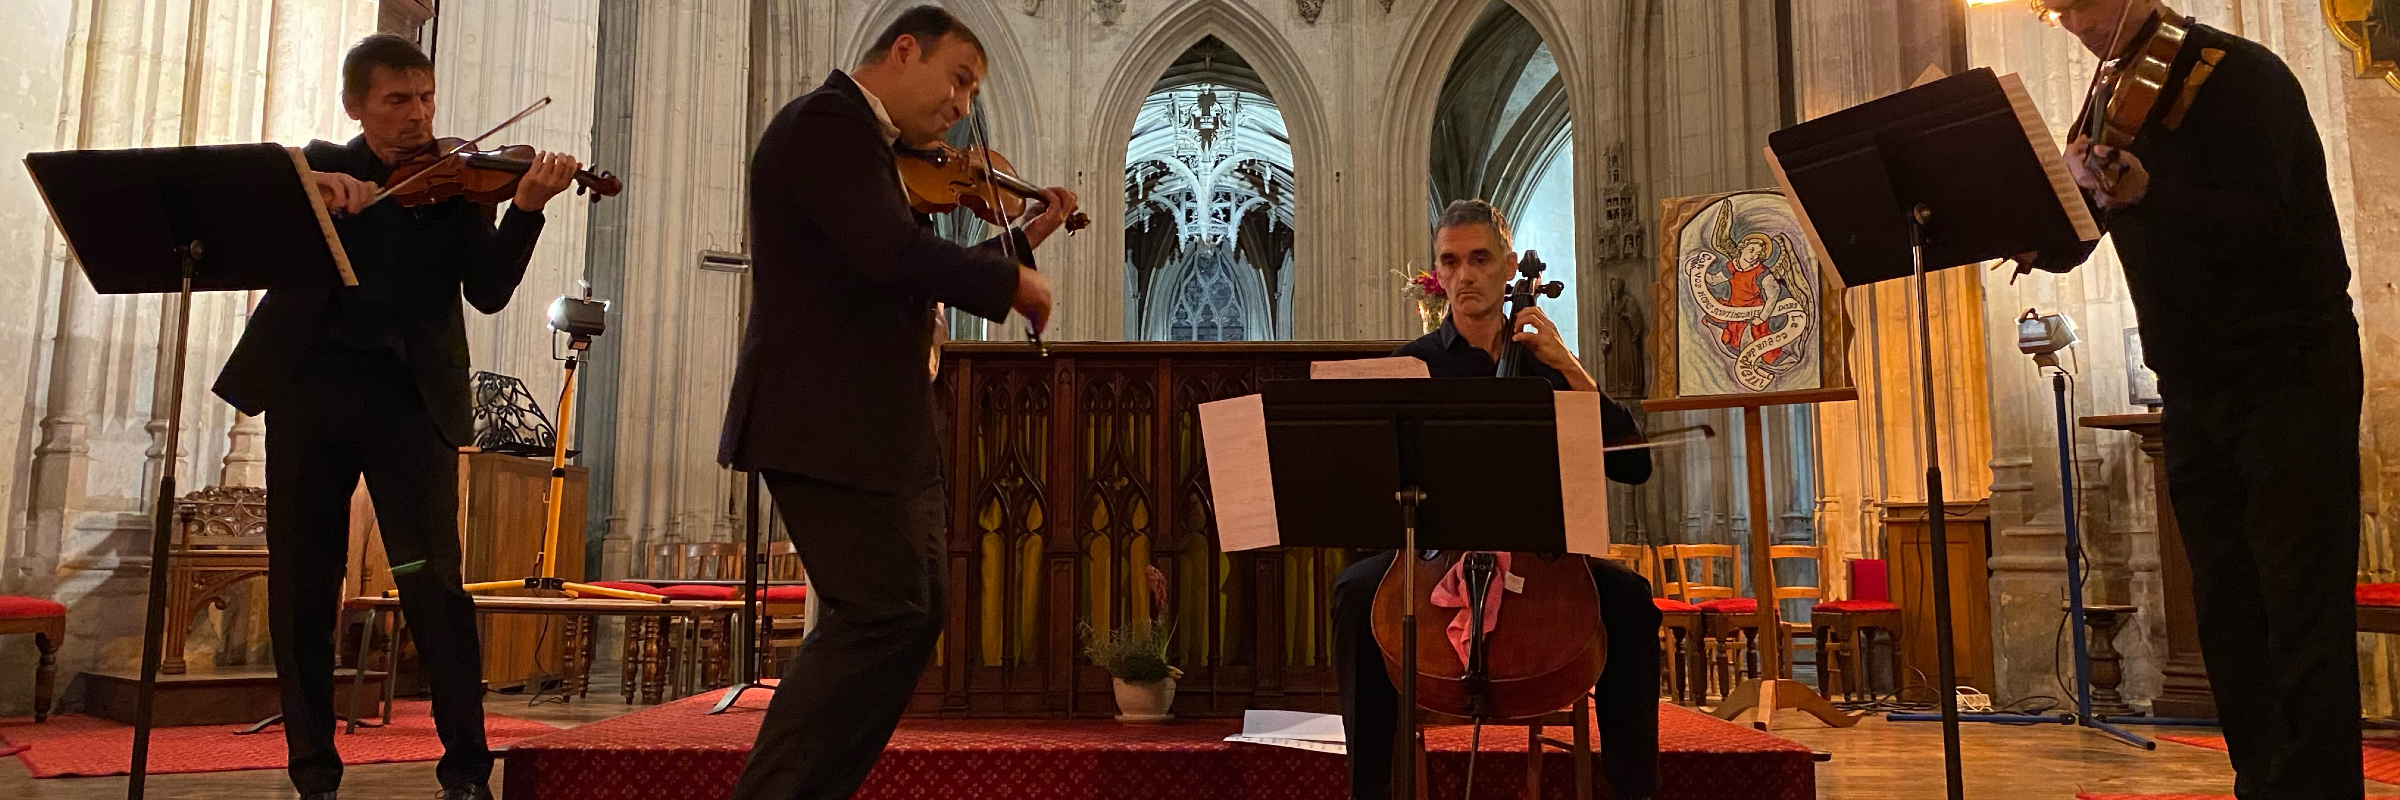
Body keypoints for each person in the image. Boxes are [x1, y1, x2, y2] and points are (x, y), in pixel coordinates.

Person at [717, 6, 1077, 799]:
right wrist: (1007, 281)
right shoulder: (826, 124)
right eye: (958, 79)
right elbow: (892, 253)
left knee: (914, 613)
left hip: (875, 427)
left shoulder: (874, 147)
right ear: (904, 49)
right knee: (880, 613)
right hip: (821, 419)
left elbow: (901, 265)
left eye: (972, 91)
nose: (962, 107)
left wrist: (1025, 237)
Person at [212, 33, 581, 800]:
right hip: (308, 390)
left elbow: (486, 291)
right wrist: (320, 189)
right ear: (356, 105)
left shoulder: (454, 183)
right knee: (304, 585)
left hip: (409, 401)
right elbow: (252, 210)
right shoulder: (314, 164)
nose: (418, 116)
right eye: (397, 100)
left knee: (435, 586)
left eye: (426, 99)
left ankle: (466, 771)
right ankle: (313, 772)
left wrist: (526, 210)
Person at [2021, 2, 2363, 797]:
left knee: (2299, 603)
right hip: (2194, 382)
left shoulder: (2242, 75)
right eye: (2057, 10)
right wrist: (2039, 230)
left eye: (2081, 4)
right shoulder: (2110, 93)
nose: (2072, 22)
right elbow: (2092, 220)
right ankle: (2260, 780)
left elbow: (2274, 223)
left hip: (2289, 370)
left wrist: (2152, 195)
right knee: (2226, 603)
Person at [1330, 200, 1658, 800]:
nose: (1465, 276)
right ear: (1438, 271)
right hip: (1436, 559)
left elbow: (1635, 464)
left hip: (1541, 563)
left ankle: (1635, 789)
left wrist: (1568, 365)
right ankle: (1368, 791)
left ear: (1509, 267)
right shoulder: (1414, 365)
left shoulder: (1548, 365)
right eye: (1450, 262)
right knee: (1355, 595)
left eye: (1480, 259)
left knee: (1631, 601)